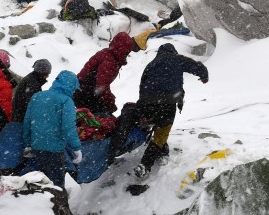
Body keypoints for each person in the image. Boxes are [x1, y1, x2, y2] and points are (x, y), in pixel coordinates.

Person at [109, 44, 209, 178]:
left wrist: (143, 108)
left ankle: (162, 152)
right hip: (168, 102)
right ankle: (145, 164)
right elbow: (196, 66)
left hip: (147, 102)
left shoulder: (151, 64)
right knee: (161, 133)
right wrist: (204, 75)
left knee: (156, 124)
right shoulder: (176, 58)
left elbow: (142, 85)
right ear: (173, 51)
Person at [21, 70, 82, 189]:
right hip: (55, 150)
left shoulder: (37, 96)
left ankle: (37, 205)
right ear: (71, 86)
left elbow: (27, 122)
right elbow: (68, 128)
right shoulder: (66, 101)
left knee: (38, 183)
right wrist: (76, 148)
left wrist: (27, 143)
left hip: (36, 148)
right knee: (56, 185)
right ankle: (57, 205)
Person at [74, 32, 138, 114]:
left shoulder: (108, 54)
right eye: (126, 52)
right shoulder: (109, 60)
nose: (127, 54)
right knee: (102, 117)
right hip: (86, 93)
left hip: (81, 89)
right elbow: (101, 86)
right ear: (122, 50)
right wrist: (110, 102)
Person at [11, 59, 52, 123]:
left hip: (19, 117)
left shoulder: (32, 80)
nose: (47, 76)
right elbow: (32, 105)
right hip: (21, 119)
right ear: (41, 72)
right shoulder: (32, 83)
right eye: (46, 73)